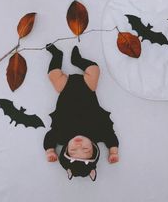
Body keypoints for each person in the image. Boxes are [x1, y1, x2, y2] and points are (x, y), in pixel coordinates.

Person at [43, 44, 119, 181]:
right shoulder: (97, 132)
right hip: (87, 86)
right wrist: (113, 151)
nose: (79, 145)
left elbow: (50, 137)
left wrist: (50, 150)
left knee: (53, 75)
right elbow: (110, 136)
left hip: (65, 88)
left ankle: (57, 55)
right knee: (94, 69)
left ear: (65, 149)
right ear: (94, 148)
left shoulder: (61, 135)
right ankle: (77, 60)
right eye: (85, 150)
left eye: (73, 150)